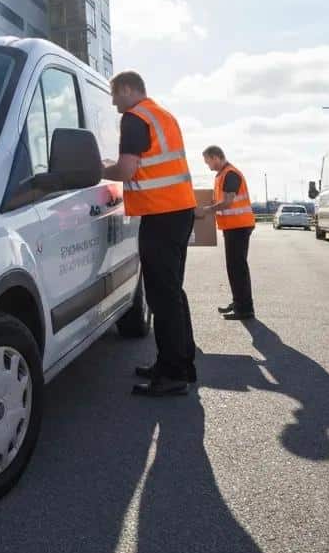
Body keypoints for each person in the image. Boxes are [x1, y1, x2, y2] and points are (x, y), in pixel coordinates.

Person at [103, 71, 197, 397]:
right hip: (179, 210)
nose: (114, 102)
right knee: (171, 291)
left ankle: (172, 375)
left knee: (162, 295)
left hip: (162, 214)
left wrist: (99, 170)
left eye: (115, 94)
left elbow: (126, 170)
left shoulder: (134, 118)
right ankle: (179, 363)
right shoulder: (162, 114)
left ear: (128, 89)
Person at [200, 146, 256, 319]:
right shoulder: (222, 175)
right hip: (233, 227)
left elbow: (228, 202)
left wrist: (207, 210)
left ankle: (245, 309)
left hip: (238, 227)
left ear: (216, 157)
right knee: (234, 267)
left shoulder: (230, 174)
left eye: (208, 161)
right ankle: (239, 302)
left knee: (237, 267)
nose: (207, 166)